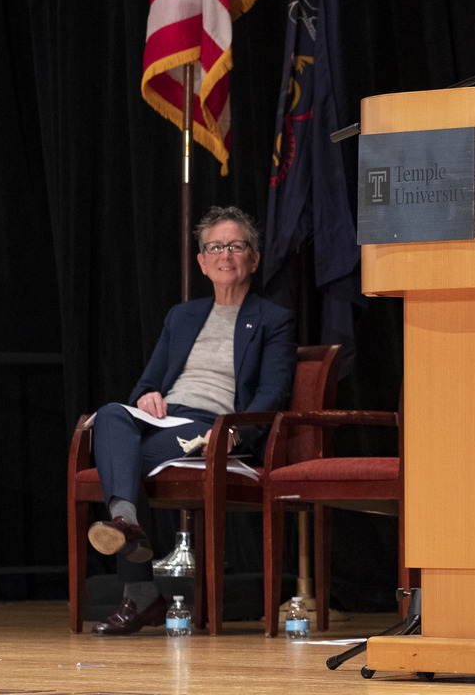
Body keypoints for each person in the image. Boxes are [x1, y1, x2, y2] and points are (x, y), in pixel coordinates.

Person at [85, 206, 296, 635]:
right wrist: (148, 398)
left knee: (126, 458)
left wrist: (240, 431)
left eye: (236, 246)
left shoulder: (274, 320)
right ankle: (127, 521)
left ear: (253, 258)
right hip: (166, 419)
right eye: (214, 247)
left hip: (217, 426)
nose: (225, 255)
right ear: (201, 261)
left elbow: (272, 393)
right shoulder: (182, 316)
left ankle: (138, 592)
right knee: (110, 414)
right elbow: (145, 384)